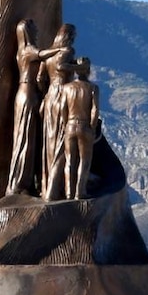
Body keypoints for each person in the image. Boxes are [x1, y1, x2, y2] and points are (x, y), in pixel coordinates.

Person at [37, 24, 77, 201]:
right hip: (62, 95)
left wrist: (46, 91)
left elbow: (39, 78)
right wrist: (78, 68)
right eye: (73, 35)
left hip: (50, 96)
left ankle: (48, 188)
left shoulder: (48, 54)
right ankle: (53, 192)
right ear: (68, 36)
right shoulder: (67, 51)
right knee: (61, 143)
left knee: (50, 144)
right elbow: (61, 66)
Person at [6, 19, 44, 195]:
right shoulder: (27, 50)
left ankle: (26, 181)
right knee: (24, 137)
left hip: (29, 92)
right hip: (27, 92)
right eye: (34, 29)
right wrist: (64, 48)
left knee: (29, 136)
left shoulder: (24, 51)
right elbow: (45, 54)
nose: (37, 32)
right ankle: (18, 183)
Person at [62, 57, 101, 200]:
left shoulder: (67, 88)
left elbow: (63, 109)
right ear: (88, 70)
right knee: (84, 160)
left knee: (70, 160)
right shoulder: (93, 88)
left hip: (70, 126)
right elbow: (95, 110)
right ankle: (80, 192)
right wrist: (92, 126)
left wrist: (67, 124)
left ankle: (68, 192)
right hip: (85, 127)